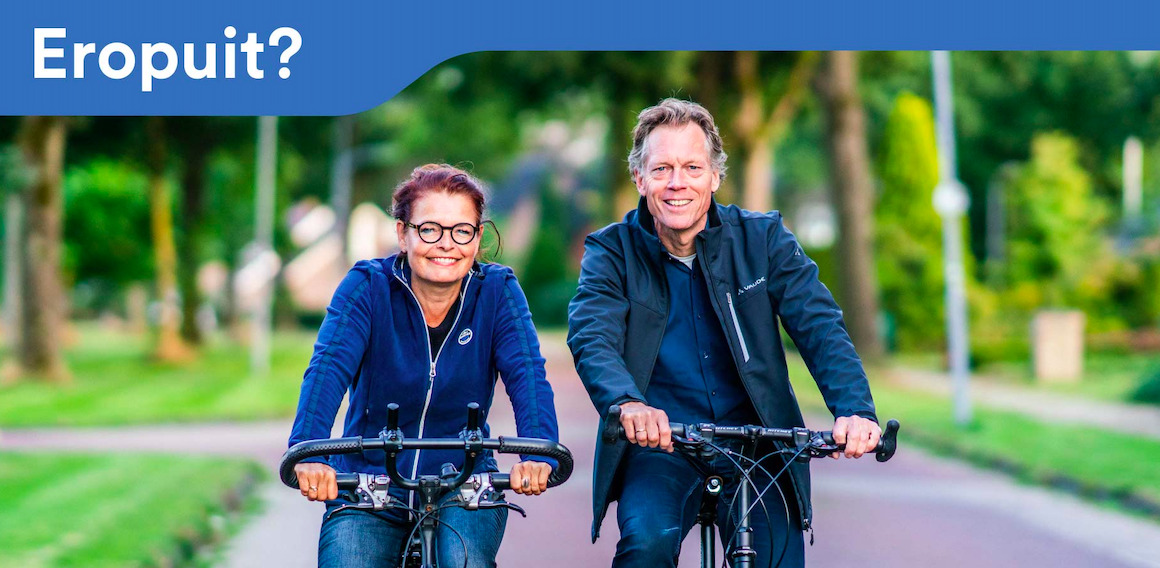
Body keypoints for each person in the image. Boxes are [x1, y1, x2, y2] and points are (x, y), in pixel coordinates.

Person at [567, 99, 880, 567]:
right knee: (646, 545)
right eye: (662, 169)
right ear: (640, 178)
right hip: (662, 444)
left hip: (760, 446)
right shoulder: (611, 251)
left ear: (715, 176)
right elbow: (592, 336)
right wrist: (626, 403)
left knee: (776, 560)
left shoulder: (764, 240)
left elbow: (819, 325)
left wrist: (854, 409)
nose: (678, 183)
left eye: (692, 167)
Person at [288, 164, 560, 568]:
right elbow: (327, 369)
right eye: (429, 229)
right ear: (403, 233)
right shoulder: (367, 286)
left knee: (461, 560)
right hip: (370, 482)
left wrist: (540, 451)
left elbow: (528, 374)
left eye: (461, 230)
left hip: (464, 479)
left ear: (478, 236)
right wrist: (308, 451)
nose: (446, 244)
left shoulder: (498, 292)